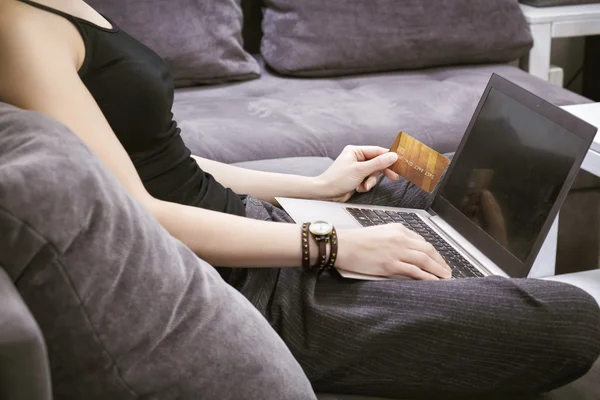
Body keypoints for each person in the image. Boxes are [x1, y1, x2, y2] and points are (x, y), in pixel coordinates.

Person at [0, 0, 599, 397]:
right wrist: (331, 244)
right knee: (573, 320)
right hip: (235, 281)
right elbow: (135, 212)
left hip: (254, 229)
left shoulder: (62, 4)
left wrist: (316, 189)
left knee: (421, 195)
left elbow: (162, 160)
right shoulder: (17, 27)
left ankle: (462, 274)